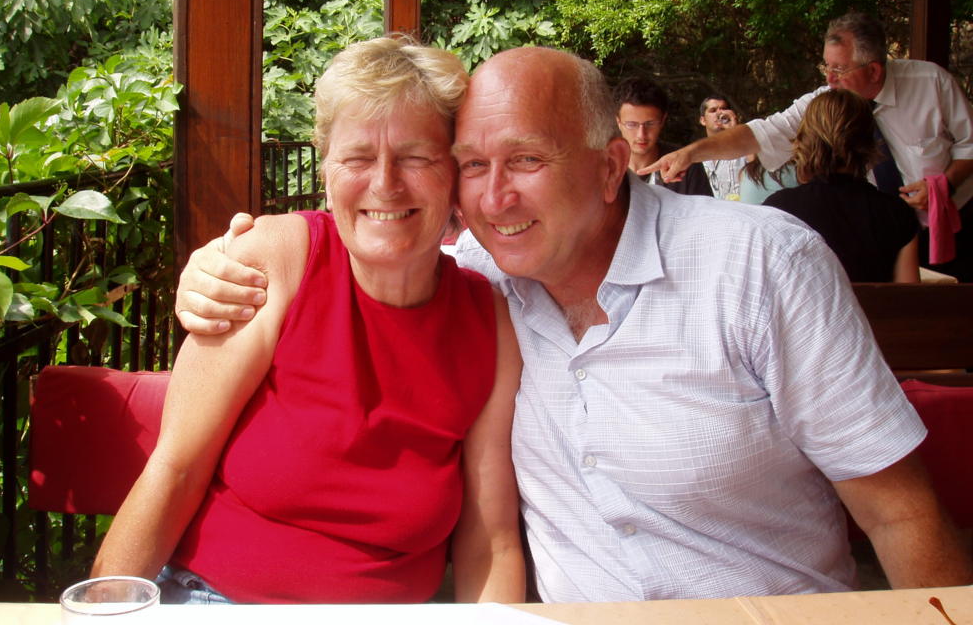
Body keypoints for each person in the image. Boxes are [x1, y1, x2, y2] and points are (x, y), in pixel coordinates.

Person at [175, 46, 973, 603]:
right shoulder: (484, 280)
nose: (494, 198)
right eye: (474, 166)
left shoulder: (761, 266)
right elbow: (372, 225)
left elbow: (899, 511)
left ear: (608, 167)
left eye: (526, 161)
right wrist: (224, 261)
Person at [91, 36, 525, 604]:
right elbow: (174, 469)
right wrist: (102, 611)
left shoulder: (486, 319)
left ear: (456, 174)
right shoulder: (279, 259)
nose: (385, 183)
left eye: (417, 157)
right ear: (326, 170)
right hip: (214, 604)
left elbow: (489, 539)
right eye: (358, 157)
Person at [645, 12, 973, 280]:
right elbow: (761, 133)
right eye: (826, 66)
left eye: (839, 69)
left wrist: (944, 184)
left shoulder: (931, 83)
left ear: (873, 70)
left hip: (953, 222)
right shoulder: (825, 101)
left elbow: (970, 144)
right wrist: (691, 153)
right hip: (876, 232)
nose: (829, 78)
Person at [762, 89, 920, 282]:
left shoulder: (778, 210)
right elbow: (908, 294)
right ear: (869, 142)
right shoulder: (897, 213)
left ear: (805, 138)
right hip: (873, 304)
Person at [614, 77, 711, 196]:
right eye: (632, 125)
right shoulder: (604, 168)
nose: (641, 134)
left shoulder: (685, 165)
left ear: (662, 120)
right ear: (618, 122)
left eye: (650, 124)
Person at [697, 95, 747, 199]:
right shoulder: (697, 155)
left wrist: (734, 130)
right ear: (703, 120)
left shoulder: (745, 145)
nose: (720, 113)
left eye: (724, 109)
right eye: (713, 110)